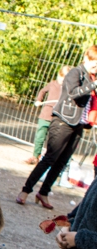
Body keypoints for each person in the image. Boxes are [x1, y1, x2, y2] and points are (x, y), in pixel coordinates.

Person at [17, 46, 97, 210]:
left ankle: (44, 192)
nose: (96, 67)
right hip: (63, 120)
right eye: (94, 64)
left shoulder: (91, 76)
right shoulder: (75, 72)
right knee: (50, 158)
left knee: (62, 162)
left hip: (78, 124)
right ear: (87, 58)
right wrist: (93, 84)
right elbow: (74, 93)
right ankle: (25, 190)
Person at [25, 66, 70, 165]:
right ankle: (35, 155)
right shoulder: (53, 84)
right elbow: (42, 91)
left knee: (53, 140)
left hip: (57, 117)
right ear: (59, 75)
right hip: (45, 115)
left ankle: (46, 158)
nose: (62, 80)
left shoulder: (67, 88)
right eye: (61, 77)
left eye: (65, 78)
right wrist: (39, 100)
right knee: (40, 136)